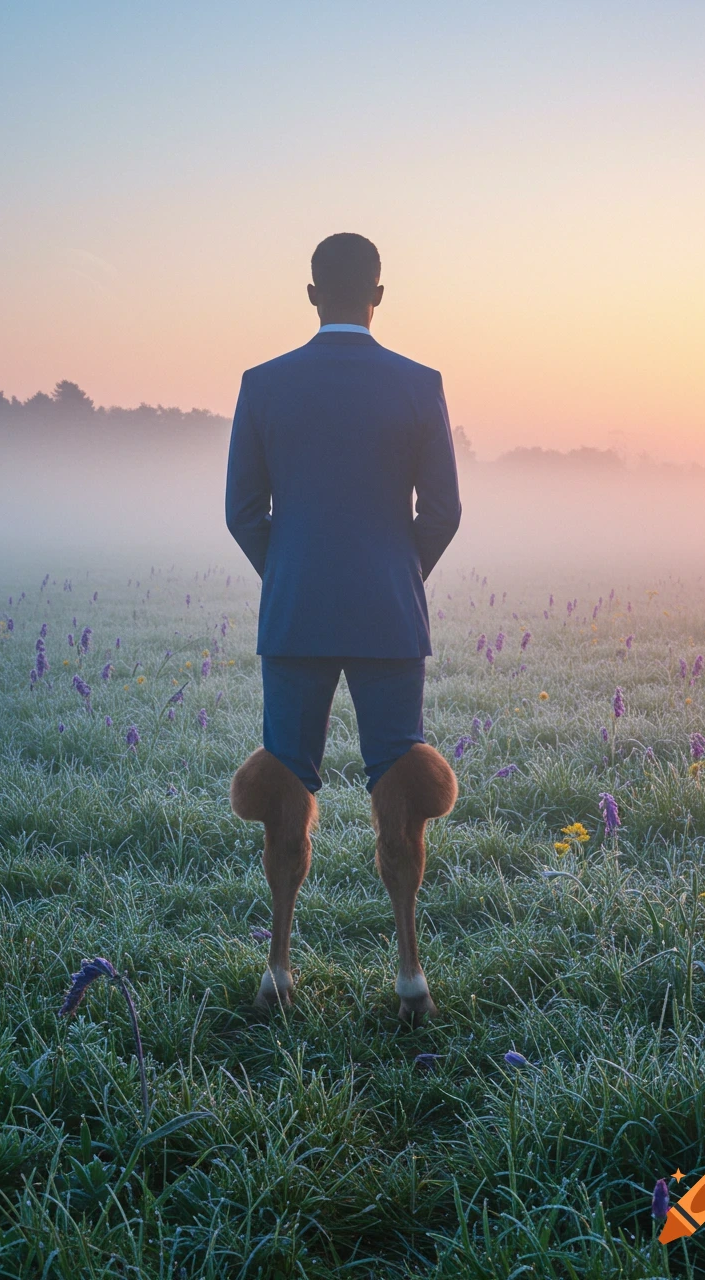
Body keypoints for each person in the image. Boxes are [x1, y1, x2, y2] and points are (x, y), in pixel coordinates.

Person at [225, 232, 461, 1020]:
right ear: (379, 295)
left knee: (285, 780)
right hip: (389, 614)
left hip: (295, 613)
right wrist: (395, 576)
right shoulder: (420, 384)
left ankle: (279, 967)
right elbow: (445, 513)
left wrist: (296, 575)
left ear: (311, 292)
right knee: (401, 781)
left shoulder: (263, 384)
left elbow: (241, 513)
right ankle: (410, 974)